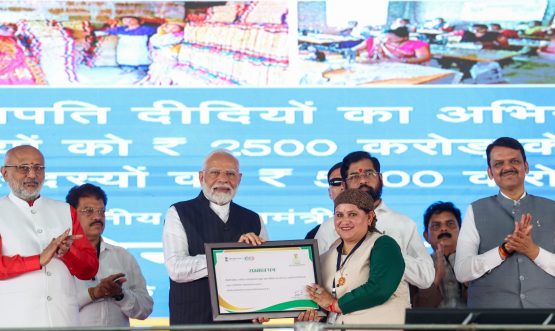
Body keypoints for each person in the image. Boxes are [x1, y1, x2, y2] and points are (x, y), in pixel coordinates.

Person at [163, 150, 269, 325]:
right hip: (194, 323)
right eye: (215, 172)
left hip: (242, 325)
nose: (223, 179)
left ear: (239, 179)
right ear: (201, 177)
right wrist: (232, 256)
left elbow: (264, 273)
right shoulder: (179, 212)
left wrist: (264, 305)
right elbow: (176, 268)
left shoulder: (254, 219)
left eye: (230, 174)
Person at [0, 145, 98, 327]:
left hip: (63, 320)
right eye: (23, 168)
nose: (32, 174)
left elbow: (89, 270)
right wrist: (38, 259)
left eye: (38, 168)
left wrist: (68, 253)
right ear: (5, 173)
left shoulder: (65, 210)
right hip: (15, 320)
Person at [454, 137, 555, 308]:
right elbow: (462, 272)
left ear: (526, 166)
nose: (507, 167)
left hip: (547, 317)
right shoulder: (476, 210)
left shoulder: (552, 209)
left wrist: (533, 251)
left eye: (514, 161)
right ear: (490, 173)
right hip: (491, 319)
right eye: (499, 164)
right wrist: (503, 250)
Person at [315, 151, 434, 291]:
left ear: (381, 178)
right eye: (354, 176)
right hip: (341, 310)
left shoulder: (403, 224)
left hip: (389, 310)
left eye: (369, 173)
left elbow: (426, 277)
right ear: (344, 184)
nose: (363, 180)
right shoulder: (330, 227)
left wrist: (388, 254)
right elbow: (314, 278)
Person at [299, 189, 407, 325]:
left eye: (352, 214)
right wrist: (312, 312)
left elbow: (379, 289)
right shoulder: (328, 255)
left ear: (370, 217)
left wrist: (335, 305)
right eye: (339, 215)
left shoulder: (384, 244)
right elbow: (320, 298)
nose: (345, 221)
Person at [65, 183, 153, 326]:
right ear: (72, 215)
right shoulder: (61, 257)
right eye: (89, 211)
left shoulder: (123, 256)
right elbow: (54, 307)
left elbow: (145, 309)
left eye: (101, 211)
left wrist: (120, 295)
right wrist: (93, 293)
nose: (97, 217)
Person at [410, 201, 467, 308]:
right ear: (426, 236)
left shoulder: (475, 262)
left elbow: (488, 303)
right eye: (436, 226)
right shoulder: (417, 267)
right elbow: (414, 311)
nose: (444, 229)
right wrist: (435, 281)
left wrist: (469, 282)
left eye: (450, 224)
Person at [305, 162, 344, 239]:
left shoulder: (373, 228)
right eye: (336, 182)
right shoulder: (315, 235)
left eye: (347, 181)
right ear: (329, 192)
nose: (343, 187)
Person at [139, 19, 185, 85]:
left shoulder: (180, 37)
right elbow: (153, 46)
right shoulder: (157, 36)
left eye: (174, 27)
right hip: (158, 62)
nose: (170, 29)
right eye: (168, 27)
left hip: (171, 63)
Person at [355, 26, 431, 64]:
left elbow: (423, 58)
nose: (386, 40)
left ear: (404, 38)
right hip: (379, 67)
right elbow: (354, 50)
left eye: (391, 39)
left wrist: (401, 61)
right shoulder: (375, 41)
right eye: (385, 38)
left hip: (406, 69)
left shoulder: (417, 45)